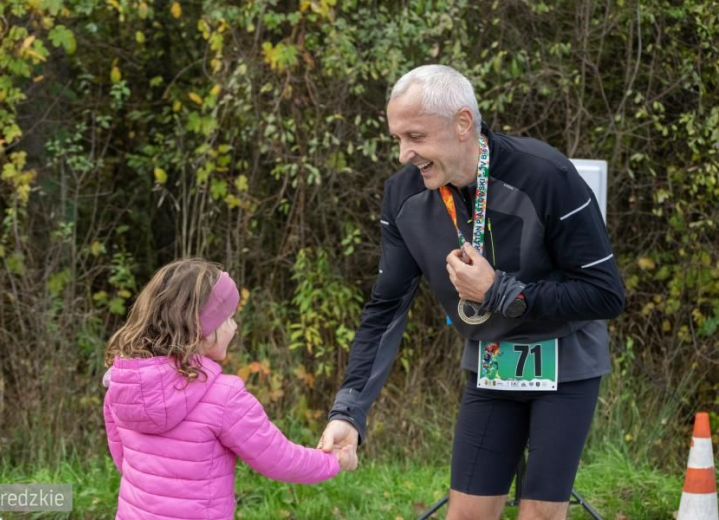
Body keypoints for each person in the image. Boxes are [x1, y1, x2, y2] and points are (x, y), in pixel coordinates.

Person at [318, 64, 624, 519]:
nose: (404, 154)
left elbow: (605, 294)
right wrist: (349, 410)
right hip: (491, 364)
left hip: (567, 362)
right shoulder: (403, 196)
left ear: (463, 123)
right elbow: (385, 311)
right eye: (397, 139)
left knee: (540, 513)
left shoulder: (546, 174)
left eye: (415, 137)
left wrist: (503, 293)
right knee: (466, 514)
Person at [103, 258, 353, 519]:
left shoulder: (121, 385)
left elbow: (124, 460)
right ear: (204, 328)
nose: (234, 327)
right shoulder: (223, 396)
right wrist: (333, 461)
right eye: (229, 318)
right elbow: (279, 459)